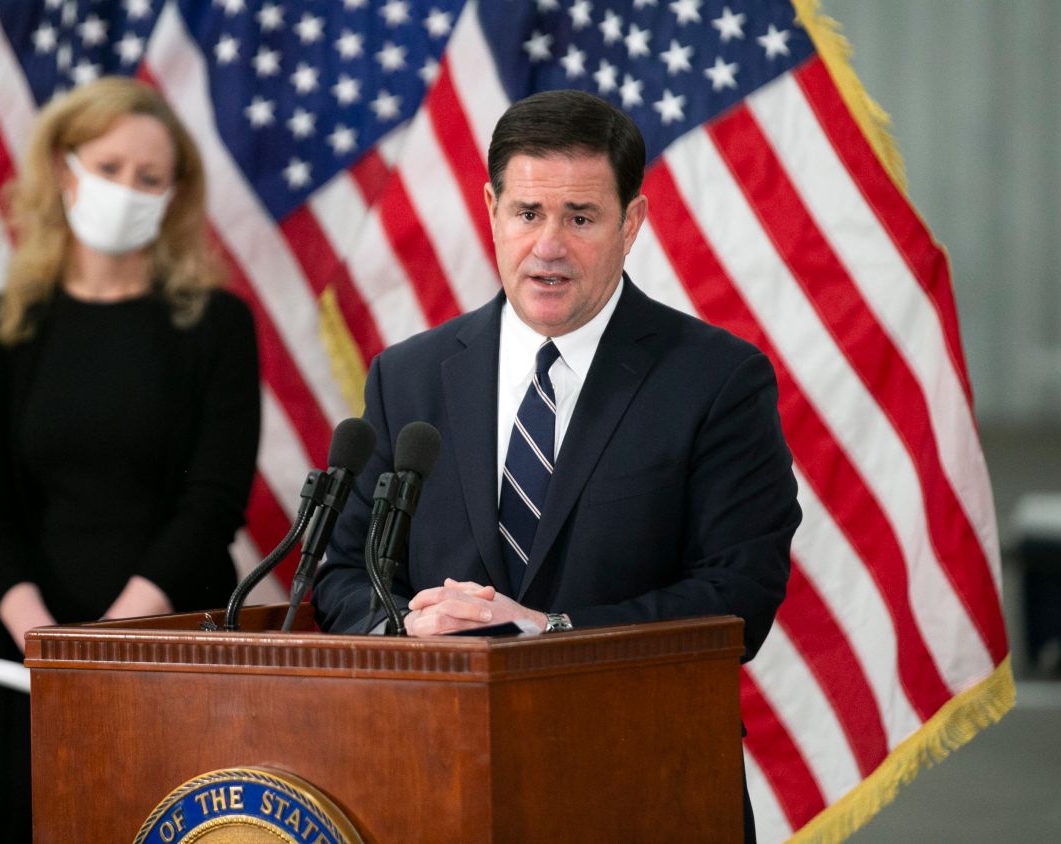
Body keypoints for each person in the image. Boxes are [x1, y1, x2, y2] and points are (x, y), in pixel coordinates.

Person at [311, 89, 800, 840]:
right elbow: (342, 572)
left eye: (580, 218)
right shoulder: (407, 377)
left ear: (630, 224)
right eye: (528, 213)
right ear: (491, 209)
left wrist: (548, 630)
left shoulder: (717, 380)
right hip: (426, 780)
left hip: (642, 783)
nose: (548, 246)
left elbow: (740, 595)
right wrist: (406, 627)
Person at [0, 77, 260, 842]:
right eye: (110, 168)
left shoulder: (218, 325)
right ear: (63, 169)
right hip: (22, 661)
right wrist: (49, 647)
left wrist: (107, 643)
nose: (128, 190)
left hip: (169, 651)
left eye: (150, 178)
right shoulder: (1, 327)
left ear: (176, 194)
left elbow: (214, 502)